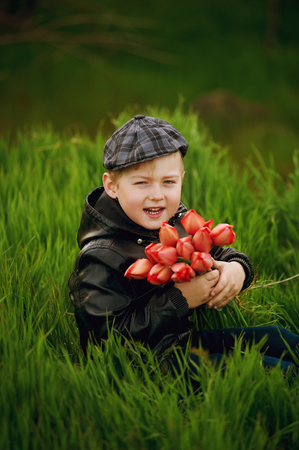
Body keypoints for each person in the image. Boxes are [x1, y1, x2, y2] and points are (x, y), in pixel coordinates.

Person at [68, 115, 299, 381]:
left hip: (179, 341)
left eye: (168, 182)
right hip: (143, 366)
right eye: (141, 182)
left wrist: (237, 269)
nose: (157, 194)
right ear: (112, 186)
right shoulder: (100, 255)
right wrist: (181, 300)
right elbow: (108, 339)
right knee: (272, 371)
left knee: (280, 338)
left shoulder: (173, 219)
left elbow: (216, 252)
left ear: (182, 179)